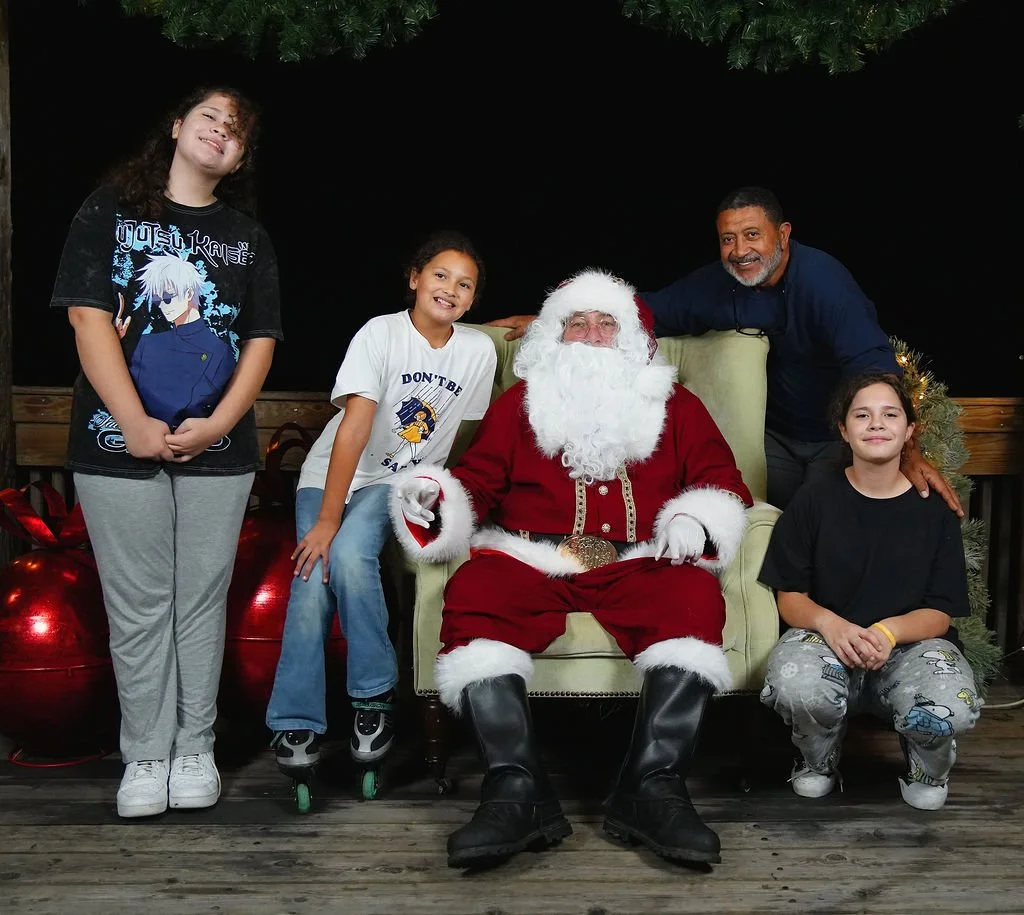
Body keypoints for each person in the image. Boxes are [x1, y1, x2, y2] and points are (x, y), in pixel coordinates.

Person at [391, 269, 754, 869]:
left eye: (605, 324)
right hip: (534, 558)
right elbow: (479, 481)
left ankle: (653, 789)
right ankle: (515, 792)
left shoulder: (676, 407)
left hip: (642, 560)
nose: (590, 336)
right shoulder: (521, 406)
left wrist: (694, 517)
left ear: (630, 338)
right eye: (576, 323)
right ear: (555, 337)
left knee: (692, 598)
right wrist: (436, 496)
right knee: (476, 590)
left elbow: (721, 479)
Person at [50, 86, 282, 818]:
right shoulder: (108, 210)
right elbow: (90, 320)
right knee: (140, 605)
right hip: (114, 445)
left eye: (236, 130)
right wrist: (136, 422)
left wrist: (217, 425)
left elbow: (260, 344)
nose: (221, 131)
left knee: (198, 602)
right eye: (209, 117)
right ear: (178, 127)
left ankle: (194, 749)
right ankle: (145, 755)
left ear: (240, 157)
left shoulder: (247, 238)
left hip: (220, 451)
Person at [485, 187, 962, 517]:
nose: (739, 250)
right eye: (728, 238)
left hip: (831, 437)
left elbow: (873, 366)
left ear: (783, 233)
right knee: (759, 515)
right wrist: (555, 317)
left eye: (753, 235)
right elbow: (648, 309)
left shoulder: (825, 283)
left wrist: (907, 449)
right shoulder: (720, 282)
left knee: (822, 519)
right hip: (772, 437)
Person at [265, 230, 497, 800]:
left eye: (464, 285)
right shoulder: (381, 333)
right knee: (312, 576)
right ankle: (298, 716)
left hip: (398, 485)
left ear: (472, 301)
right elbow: (356, 427)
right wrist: (325, 515)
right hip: (331, 475)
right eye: (440, 275)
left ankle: (372, 698)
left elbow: (466, 432)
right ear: (414, 277)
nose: (450, 289)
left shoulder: (478, 351)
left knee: (346, 554)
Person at [757, 372, 981, 810]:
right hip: (828, 639)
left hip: (907, 646)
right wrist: (832, 625)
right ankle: (818, 758)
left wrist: (888, 632)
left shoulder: (934, 512)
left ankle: (925, 764)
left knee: (948, 705)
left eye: (889, 414)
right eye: (862, 414)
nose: (876, 423)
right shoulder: (814, 499)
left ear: (909, 431)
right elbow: (791, 596)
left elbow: (940, 613)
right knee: (797, 683)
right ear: (844, 429)